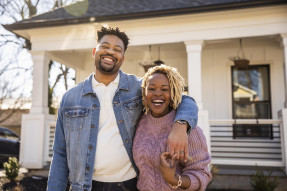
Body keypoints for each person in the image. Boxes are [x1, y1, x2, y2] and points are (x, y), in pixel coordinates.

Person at [47, 27, 198, 191]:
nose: (110, 52)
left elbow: (185, 100)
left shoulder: (138, 87)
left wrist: (180, 125)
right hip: (84, 187)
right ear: (94, 51)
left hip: (128, 185)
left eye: (117, 49)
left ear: (122, 58)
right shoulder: (70, 98)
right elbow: (60, 154)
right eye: (105, 46)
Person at [133, 65, 212, 191]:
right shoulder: (139, 120)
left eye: (165, 89)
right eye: (152, 88)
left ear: (173, 92)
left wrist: (173, 179)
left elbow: (202, 175)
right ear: (144, 92)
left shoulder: (187, 128)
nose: (157, 93)